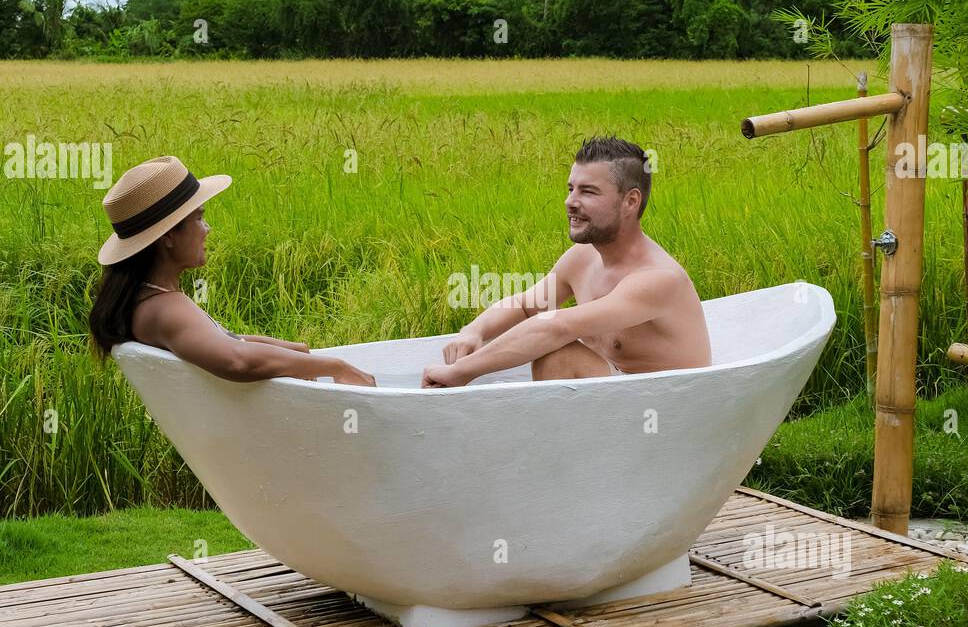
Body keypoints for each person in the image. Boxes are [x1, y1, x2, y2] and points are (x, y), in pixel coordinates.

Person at [421, 135, 711, 387]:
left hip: (665, 409)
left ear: (631, 202)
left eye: (588, 191)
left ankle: (552, 447)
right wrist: (473, 331)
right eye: (570, 188)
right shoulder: (583, 258)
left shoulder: (658, 278)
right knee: (547, 344)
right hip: (618, 397)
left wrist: (461, 372)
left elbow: (555, 326)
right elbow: (525, 306)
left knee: (556, 351)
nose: (570, 201)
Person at [88, 155, 375, 385]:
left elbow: (226, 340)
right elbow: (237, 359)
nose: (207, 229)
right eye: (199, 219)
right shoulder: (165, 309)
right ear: (168, 237)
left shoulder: (149, 299)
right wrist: (336, 366)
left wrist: (290, 349)